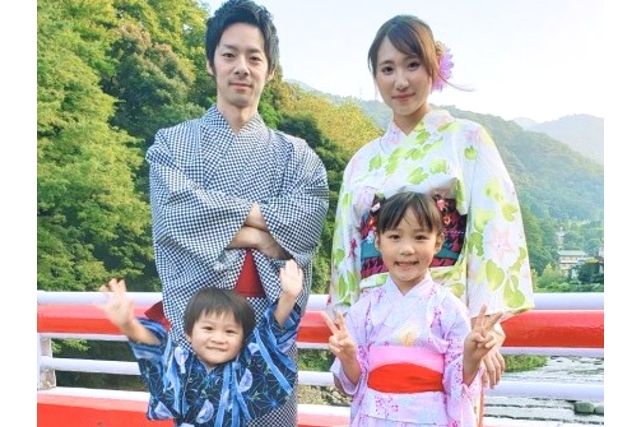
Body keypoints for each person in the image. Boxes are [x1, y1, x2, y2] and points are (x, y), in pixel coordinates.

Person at [328, 14, 534, 392]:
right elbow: (347, 249)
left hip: (445, 318)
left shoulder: (466, 140)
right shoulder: (362, 161)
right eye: (387, 69)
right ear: (375, 77)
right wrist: (346, 327)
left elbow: (494, 229)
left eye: (412, 64)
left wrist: (482, 323)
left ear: (433, 68)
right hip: (377, 317)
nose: (401, 81)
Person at [146, 0, 329, 424]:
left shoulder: (297, 156)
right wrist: (264, 236)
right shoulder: (172, 144)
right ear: (211, 63)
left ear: (269, 68)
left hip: (267, 324)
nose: (241, 67)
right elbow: (175, 214)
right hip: (201, 325)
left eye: (254, 57)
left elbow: (306, 219)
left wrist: (218, 218)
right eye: (229, 54)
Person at [323, 192, 502, 426]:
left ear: (437, 242)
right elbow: (352, 385)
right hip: (376, 418)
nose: (406, 249)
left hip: (429, 418)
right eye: (395, 237)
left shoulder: (449, 308)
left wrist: (470, 359)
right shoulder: (363, 310)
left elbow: (457, 386)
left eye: (419, 237)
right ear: (378, 241)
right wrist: (348, 358)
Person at [99, 260, 304, 427]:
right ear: (189, 333)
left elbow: (267, 338)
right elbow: (157, 350)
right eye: (208, 328)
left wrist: (288, 296)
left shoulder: (242, 371)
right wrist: (129, 325)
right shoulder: (181, 364)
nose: (218, 338)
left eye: (230, 331)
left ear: (243, 339)